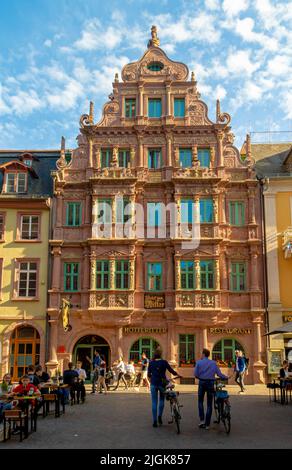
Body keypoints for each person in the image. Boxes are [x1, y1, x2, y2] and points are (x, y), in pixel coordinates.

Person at [194, 348, 228, 430]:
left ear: (203, 354)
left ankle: (202, 420)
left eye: (201, 354)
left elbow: (195, 374)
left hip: (202, 383)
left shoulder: (198, 362)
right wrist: (226, 377)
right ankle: (207, 424)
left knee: (200, 401)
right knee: (209, 403)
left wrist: (201, 377)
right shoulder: (213, 363)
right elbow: (219, 374)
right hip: (210, 383)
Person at [148, 348, 181, 428]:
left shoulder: (151, 363)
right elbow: (171, 370)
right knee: (162, 400)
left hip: (153, 383)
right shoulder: (164, 362)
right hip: (162, 384)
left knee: (154, 402)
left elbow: (149, 374)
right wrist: (178, 375)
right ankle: (160, 416)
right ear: (161, 354)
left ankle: (155, 421)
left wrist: (151, 379)